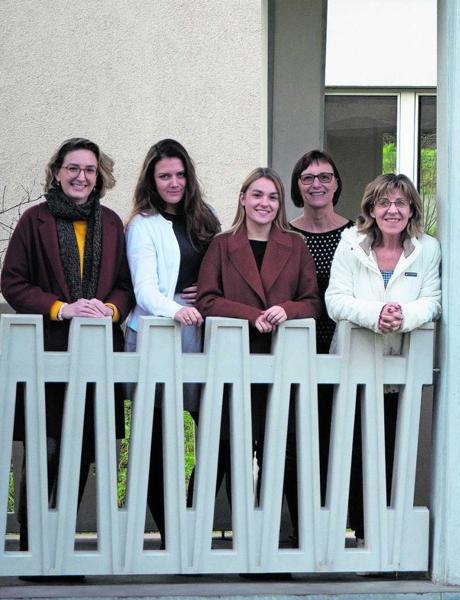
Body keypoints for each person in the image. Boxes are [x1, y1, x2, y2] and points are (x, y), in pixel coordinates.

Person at [1, 137, 134, 554]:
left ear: (100, 177)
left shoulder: (111, 223)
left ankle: (60, 542)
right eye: (73, 168)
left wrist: (108, 311)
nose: (81, 177)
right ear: (57, 172)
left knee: (84, 449)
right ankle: (32, 543)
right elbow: (13, 282)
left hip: (99, 353)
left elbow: (125, 286)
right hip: (49, 350)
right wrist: (62, 308)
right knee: (47, 447)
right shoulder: (33, 221)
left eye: (90, 170)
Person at [195, 167, 320, 547]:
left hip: (281, 366)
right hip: (232, 365)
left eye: (272, 197)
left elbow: (313, 302)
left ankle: (266, 539)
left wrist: (286, 310)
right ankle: (194, 537)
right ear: (242, 199)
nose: (264, 203)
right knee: (221, 452)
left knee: (276, 452)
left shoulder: (295, 245)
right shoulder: (222, 244)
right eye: (257, 195)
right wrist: (254, 316)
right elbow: (207, 300)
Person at [325, 173, 441, 545]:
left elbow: (433, 300)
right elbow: (335, 300)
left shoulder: (428, 249)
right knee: (353, 451)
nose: (392, 210)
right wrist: (377, 314)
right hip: (352, 367)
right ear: (371, 209)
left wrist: (403, 316)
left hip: (399, 369)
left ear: (411, 210)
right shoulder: (350, 244)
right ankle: (358, 534)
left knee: (392, 452)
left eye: (400, 203)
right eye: (384, 203)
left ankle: (385, 538)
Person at [124, 139, 221, 546]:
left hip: (205, 332)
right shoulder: (142, 225)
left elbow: (223, 268)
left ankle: (194, 524)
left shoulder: (207, 217)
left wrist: (212, 292)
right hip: (159, 333)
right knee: (159, 437)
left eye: (180, 174)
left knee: (216, 432)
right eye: (165, 175)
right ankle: (171, 534)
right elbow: (144, 288)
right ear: (151, 179)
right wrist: (177, 308)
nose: (174, 182)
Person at [288, 149, 353, 506]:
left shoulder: (355, 235)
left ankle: (338, 517)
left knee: (339, 437)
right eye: (308, 178)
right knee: (298, 441)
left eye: (325, 177)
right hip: (296, 349)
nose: (317, 184)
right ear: (298, 186)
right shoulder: (284, 234)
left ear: (336, 184)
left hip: (342, 349)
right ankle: (303, 520)